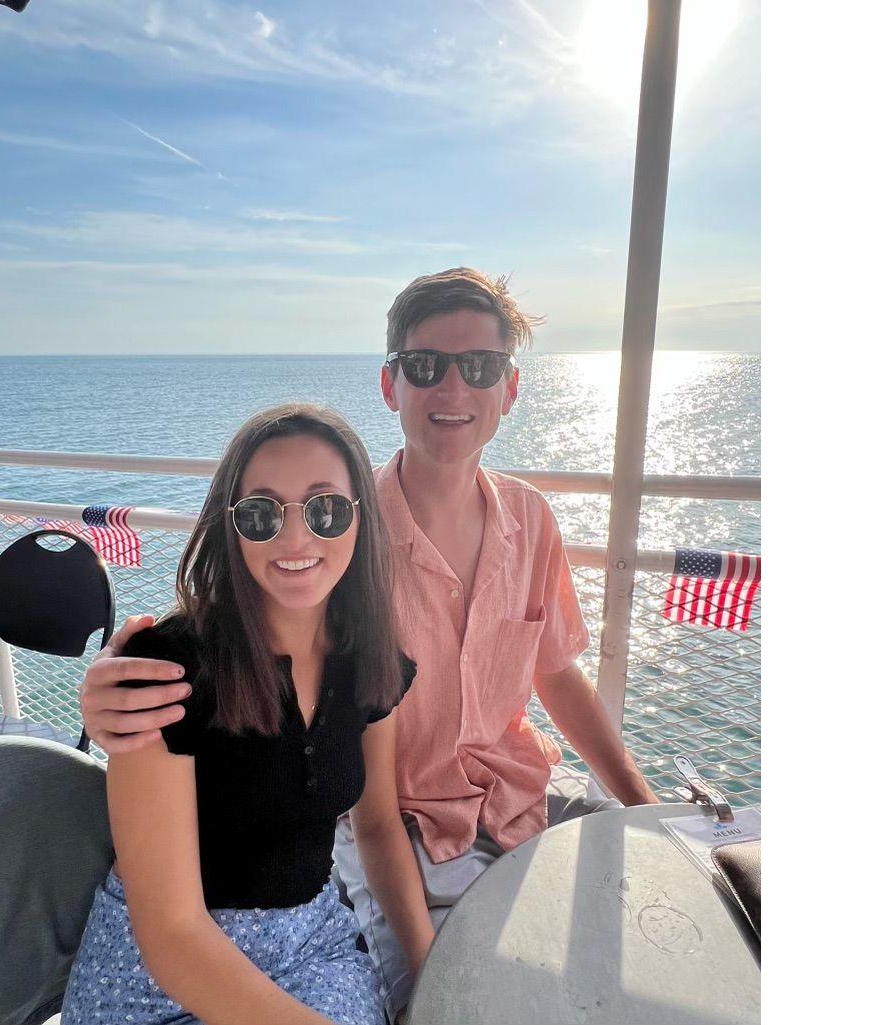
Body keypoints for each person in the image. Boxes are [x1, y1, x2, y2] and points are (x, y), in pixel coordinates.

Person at [79, 268, 657, 1022]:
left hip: (508, 800)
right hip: (384, 832)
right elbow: (236, 629)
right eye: (426, 365)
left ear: (510, 388)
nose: (453, 386)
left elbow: (555, 670)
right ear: (391, 384)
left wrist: (645, 806)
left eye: (480, 366)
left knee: (630, 954)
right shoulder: (343, 541)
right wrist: (115, 684)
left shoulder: (524, 523)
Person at [62, 405, 434, 1025]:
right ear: (231, 527)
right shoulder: (165, 670)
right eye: (262, 514)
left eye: (326, 509)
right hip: (156, 975)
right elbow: (172, 931)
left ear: (360, 519)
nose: (296, 539)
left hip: (310, 946)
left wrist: (432, 970)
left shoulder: (369, 663)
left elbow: (376, 828)